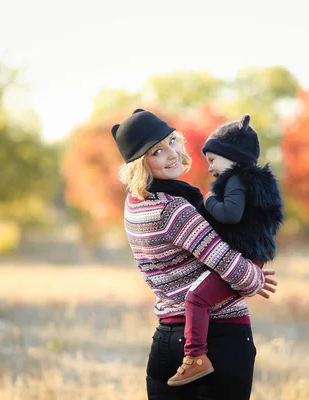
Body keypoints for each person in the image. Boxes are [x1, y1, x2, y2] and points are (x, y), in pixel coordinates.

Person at [112, 108, 277, 400]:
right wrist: (255, 275)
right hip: (219, 338)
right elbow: (242, 277)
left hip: (166, 339)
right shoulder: (174, 209)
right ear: (140, 164)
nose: (173, 153)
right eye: (157, 152)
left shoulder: (134, 205)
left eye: (172, 141)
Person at [167, 114, 284, 386]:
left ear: (233, 157)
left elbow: (230, 215)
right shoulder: (249, 181)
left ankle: (195, 357)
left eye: (212, 160)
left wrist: (208, 200)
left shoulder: (235, 181)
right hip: (250, 254)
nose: (209, 168)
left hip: (246, 254)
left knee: (197, 299)